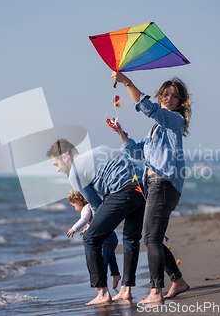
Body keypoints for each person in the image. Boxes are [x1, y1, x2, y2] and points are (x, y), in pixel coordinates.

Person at [111, 71, 191, 304]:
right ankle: (178, 281)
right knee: (151, 237)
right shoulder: (156, 129)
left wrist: (127, 82)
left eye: (173, 96)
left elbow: (151, 110)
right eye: (165, 95)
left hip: (164, 184)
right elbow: (137, 152)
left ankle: (156, 292)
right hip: (154, 184)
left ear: (179, 103)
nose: (168, 98)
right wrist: (120, 133)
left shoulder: (174, 120)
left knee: (151, 239)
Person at [47, 139, 145, 305]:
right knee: (130, 239)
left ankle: (102, 293)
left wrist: (99, 230)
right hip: (141, 188)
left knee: (90, 239)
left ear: (65, 157)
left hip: (122, 192)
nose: (57, 170)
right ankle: (126, 290)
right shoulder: (99, 149)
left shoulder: (74, 172)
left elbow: (95, 204)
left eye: (56, 164)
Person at [66, 189, 121, 290]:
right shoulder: (92, 207)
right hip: (111, 237)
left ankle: (102, 280)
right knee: (111, 258)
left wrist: (73, 228)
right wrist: (86, 229)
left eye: (74, 206)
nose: (74, 208)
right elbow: (94, 222)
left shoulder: (86, 208)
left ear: (79, 202)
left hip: (106, 239)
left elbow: (84, 219)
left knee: (103, 259)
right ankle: (116, 275)